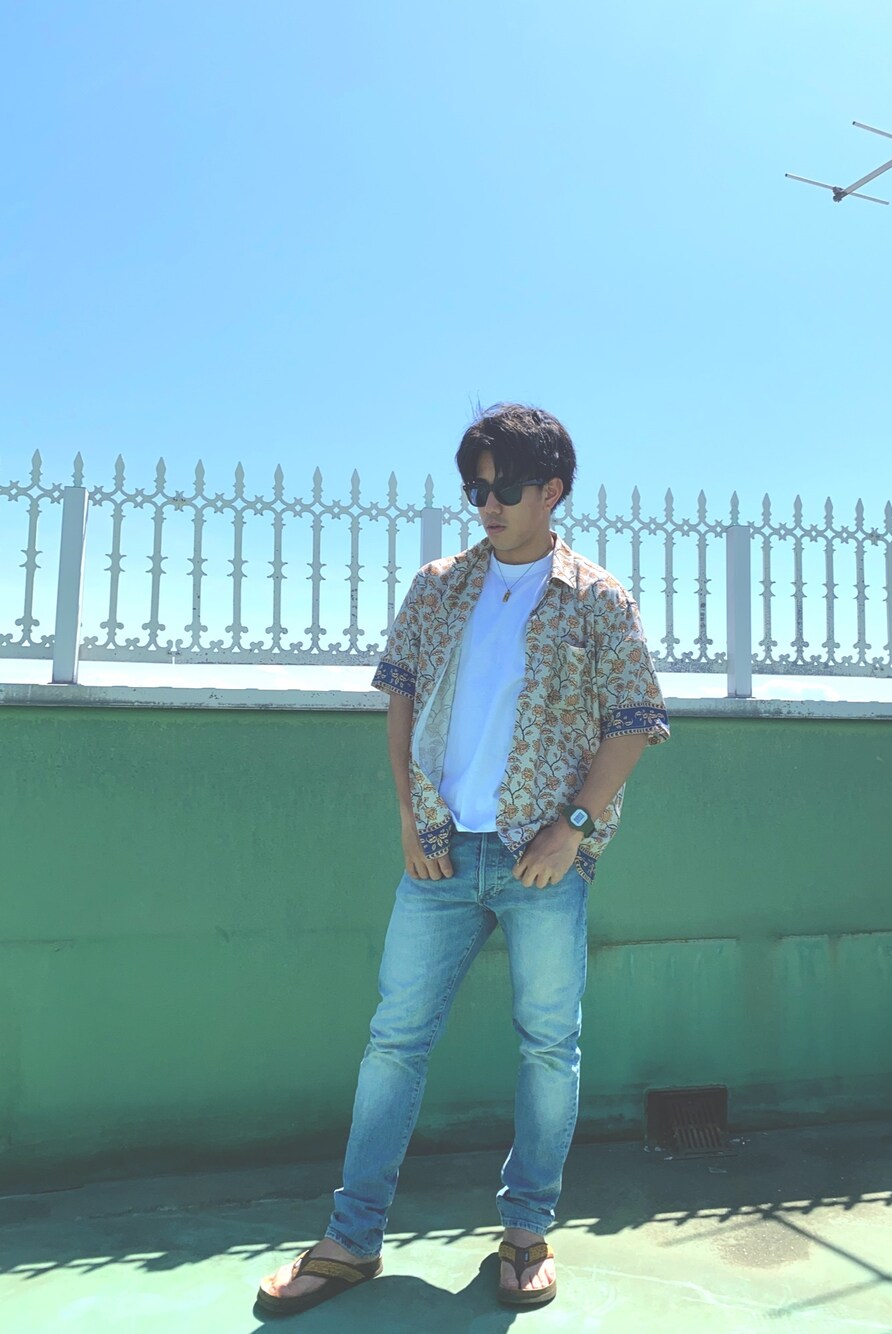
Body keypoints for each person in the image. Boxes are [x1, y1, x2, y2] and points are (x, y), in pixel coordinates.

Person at [256, 403, 669, 1316]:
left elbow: (634, 722)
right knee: (394, 1041)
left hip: (541, 860)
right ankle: (350, 1240)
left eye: (505, 488)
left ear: (552, 491)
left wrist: (573, 828)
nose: (487, 504)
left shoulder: (598, 599)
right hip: (440, 854)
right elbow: (401, 700)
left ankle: (526, 1234)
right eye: (475, 488)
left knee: (548, 1047)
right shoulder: (439, 586)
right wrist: (410, 820)